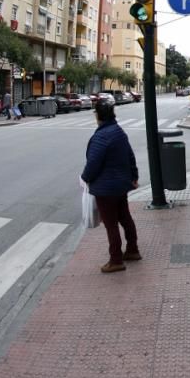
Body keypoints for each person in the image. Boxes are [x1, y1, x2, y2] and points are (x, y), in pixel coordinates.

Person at [81, 102, 140, 273]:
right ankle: (132, 250)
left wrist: (85, 178)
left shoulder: (101, 136)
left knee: (111, 224)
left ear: (98, 116)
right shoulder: (118, 131)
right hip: (121, 185)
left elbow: (93, 163)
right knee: (125, 218)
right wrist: (134, 176)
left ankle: (116, 260)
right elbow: (130, 156)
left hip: (106, 188)